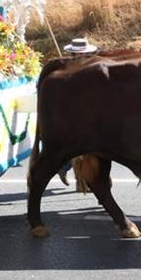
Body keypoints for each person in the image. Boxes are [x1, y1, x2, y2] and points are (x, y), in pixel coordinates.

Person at [57, 38, 100, 187]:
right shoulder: (66, 71)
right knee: (77, 151)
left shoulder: (91, 68)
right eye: (78, 54)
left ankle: (85, 180)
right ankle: (64, 167)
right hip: (74, 117)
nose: (82, 57)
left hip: (90, 114)